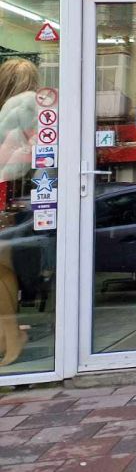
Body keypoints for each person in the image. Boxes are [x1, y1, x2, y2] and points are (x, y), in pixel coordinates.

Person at [0, 57, 40, 366]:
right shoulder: (32, 108)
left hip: (7, 191)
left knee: (3, 268)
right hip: (15, 193)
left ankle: (11, 336)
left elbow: (12, 162)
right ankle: (8, 336)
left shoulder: (19, 108)